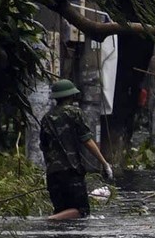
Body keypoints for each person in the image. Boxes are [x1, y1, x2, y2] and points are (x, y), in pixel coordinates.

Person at [39, 79, 114, 220]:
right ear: (71, 96)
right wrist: (104, 163)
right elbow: (87, 141)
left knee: (62, 211)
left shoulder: (46, 118)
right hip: (71, 171)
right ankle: (49, 220)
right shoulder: (74, 113)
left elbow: (44, 146)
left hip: (53, 174)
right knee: (82, 211)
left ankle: (55, 222)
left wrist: (49, 169)